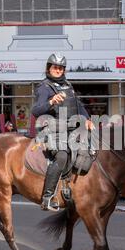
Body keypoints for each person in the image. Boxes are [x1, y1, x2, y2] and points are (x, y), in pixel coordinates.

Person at [32, 52, 94, 211]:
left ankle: (70, 186)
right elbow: (36, 110)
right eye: (55, 67)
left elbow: (78, 105)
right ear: (49, 68)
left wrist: (87, 119)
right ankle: (47, 196)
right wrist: (51, 101)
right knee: (62, 154)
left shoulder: (68, 85)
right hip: (52, 130)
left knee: (89, 150)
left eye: (61, 68)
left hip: (70, 127)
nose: (58, 70)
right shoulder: (44, 87)